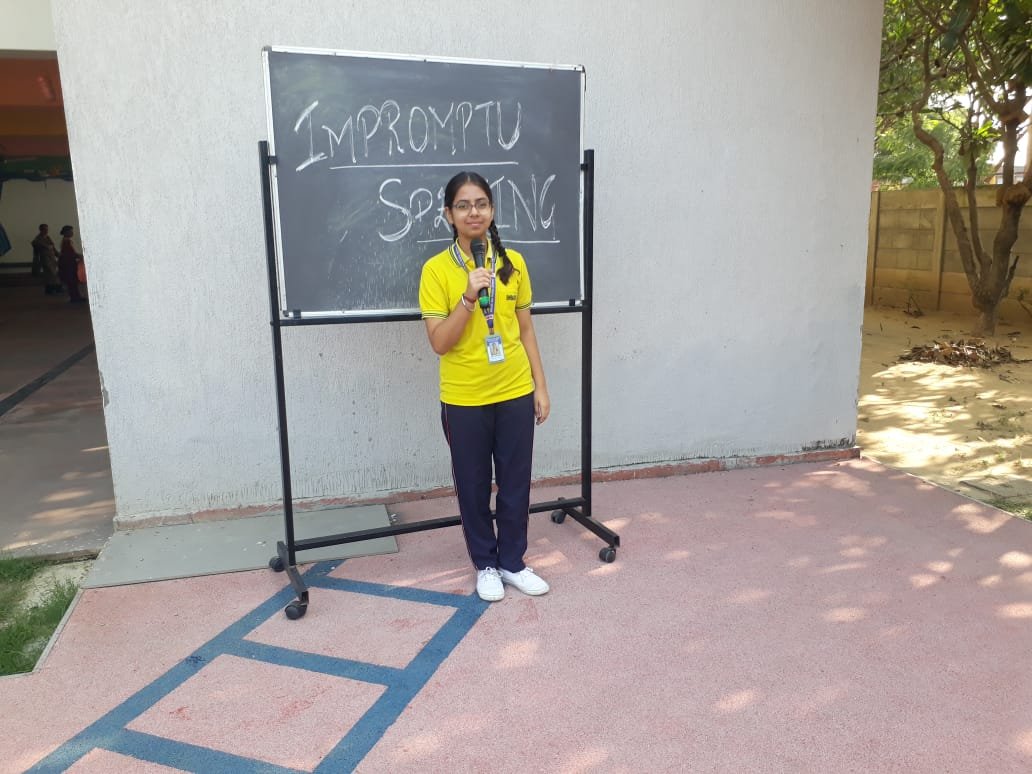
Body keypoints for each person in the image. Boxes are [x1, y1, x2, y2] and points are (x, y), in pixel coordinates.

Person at [418, 171, 551, 602]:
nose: (473, 212)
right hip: (465, 397)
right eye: (463, 205)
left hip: (513, 390)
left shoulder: (513, 263)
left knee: (515, 482)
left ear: (491, 210)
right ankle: (486, 564)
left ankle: (512, 561)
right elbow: (440, 343)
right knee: (474, 486)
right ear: (449, 214)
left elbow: (526, 330)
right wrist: (468, 298)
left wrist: (540, 386)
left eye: (480, 204)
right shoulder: (436, 270)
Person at [58, 225, 86, 303]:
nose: (72, 232)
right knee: (72, 281)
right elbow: (71, 253)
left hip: (68, 263)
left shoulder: (66, 241)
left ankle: (75, 297)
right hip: (69, 264)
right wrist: (80, 256)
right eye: (70, 231)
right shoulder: (67, 242)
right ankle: (75, 298)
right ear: (66, 232)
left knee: (72, 281)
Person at [31, 224, 62, 295]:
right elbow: (34, 244)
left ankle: (54, 289)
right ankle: (52, 289)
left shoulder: (48, 237)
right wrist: (45, 246)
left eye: (47, 229)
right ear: (41, 230)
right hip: (45, 258)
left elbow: (53, 247)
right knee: (50, 273)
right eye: (44, 229)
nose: (46, 231)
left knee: (53, 273)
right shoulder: (38, 238)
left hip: (52, 258)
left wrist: (58, 255)